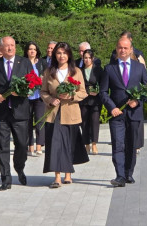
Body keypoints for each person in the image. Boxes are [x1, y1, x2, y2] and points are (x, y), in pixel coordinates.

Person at [0, 36, 33, 191]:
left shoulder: (24, 63)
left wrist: (23, 92)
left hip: (20, 112)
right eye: (7, 46)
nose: (10, 48)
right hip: (1, 113)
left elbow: (34, 84)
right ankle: (6, 179)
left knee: (22, 145)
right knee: (3, 146)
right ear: (1, 48)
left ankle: (19, 167)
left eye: (12, 45)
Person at [100, 37, 147, 187]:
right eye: (120, 47)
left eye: (125, 48)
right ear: (116, 48)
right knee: (118, 144)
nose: (122, 50)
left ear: (131, 49)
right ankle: (120, 176)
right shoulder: (109, 68)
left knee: (131, 144)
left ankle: (128, 173)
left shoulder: (139, 68)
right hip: (117, 115)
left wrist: (138, 101)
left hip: (134, 114)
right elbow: (103, 92)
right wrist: (112, 107)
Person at [41, 42, 89, 188]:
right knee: (55, 144)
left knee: (68, 144)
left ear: (69, 55)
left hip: (70, 112)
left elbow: (83, 92)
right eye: (58, 53)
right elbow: (43, 92)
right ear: (55, 55)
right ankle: (57, 177)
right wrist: (50, 99)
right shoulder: (49, 71)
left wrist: (71, 95)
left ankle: (68, 174)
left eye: (64, 53)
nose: (61, 56)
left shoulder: (76, 71)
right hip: (53, 113)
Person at [23, 41, 47, 156]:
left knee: (40, 121)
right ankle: (30, 146)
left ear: (37, 51)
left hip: (39, 96)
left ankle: (39, 146)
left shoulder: (42, 62)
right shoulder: (22, 63)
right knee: (27, 121)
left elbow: (48, 76)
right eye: (30, 49)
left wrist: (42, 79)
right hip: (27, 97)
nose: (32, 51)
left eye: (34, 49)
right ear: (27, 51)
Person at [79, 49, 103, 155]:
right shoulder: (79, 70)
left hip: (95, 100)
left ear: (92, 59)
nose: (87, 60)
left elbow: (103, 83)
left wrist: (98, 91)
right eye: (85, 58)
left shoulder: (98, 70)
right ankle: (86, 144)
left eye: (89, 58)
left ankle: (94, 144)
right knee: (84, 123)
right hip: (83, 100)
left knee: (94, 122)